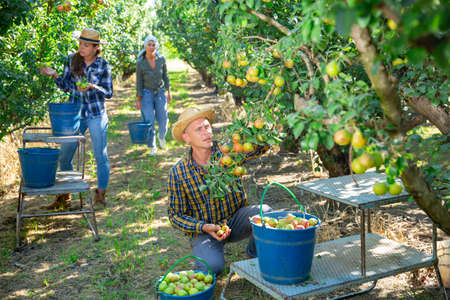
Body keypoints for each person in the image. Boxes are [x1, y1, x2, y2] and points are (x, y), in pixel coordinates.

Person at [167, 107, 272, 275]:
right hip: (205, 231)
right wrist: (204, 227)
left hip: (235, 220)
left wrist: (258, 127)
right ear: (187, 138)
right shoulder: (179, 173)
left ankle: (253, 257)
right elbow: (175, 215)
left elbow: (261, 147)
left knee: (265, 213)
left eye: (207, 127)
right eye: (198, 129)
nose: (206, 132)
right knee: (212, 268)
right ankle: (209, 256)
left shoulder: (227, 152)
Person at [39, 28, 113, 208]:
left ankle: (100, 195)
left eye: (86, 45)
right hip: (75, 114)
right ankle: (65, 195)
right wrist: (55, 75)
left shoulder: (103, 65)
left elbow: (109, 92)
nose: (82, 47)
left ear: (96, 47)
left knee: (99, 155)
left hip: (96, 114)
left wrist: (93, 87)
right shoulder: (71, 61)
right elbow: (65, 86)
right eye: (80, 43)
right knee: (65, 156)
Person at [136, 35, 172, 155]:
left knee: (163, 119)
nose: (151, 47)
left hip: (160, 92)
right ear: (145, 46)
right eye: (149, 45)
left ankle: (161, 137)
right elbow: (139, 82)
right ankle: (153, 146)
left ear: (156, 46)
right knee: (149, 120)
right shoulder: (140, 63)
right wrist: (138, 99)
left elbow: (166, 76)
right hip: (146, 93)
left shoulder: (161, 59)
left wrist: (169, 91)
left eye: (153, 45)